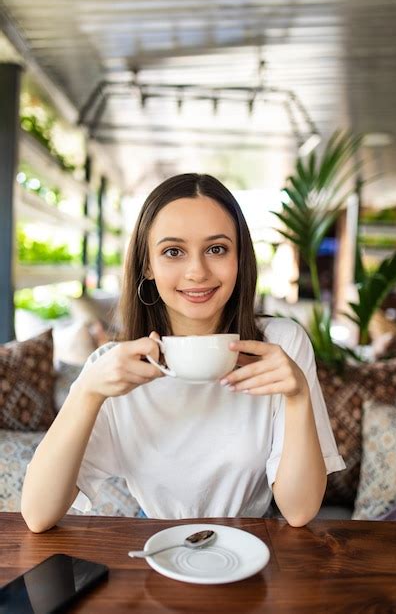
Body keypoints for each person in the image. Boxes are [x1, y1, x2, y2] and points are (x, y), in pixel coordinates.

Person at [21, 173, 345, 533]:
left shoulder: (281, 346)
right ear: (148, 264)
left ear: (240, 258)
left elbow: (299, 511)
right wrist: (87, 392)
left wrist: (298, 395)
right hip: (157, 547)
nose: (197, 272)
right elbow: (37, 515)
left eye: (217, 249)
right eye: (173, 251)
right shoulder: (115, 367)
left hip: (252, 545)